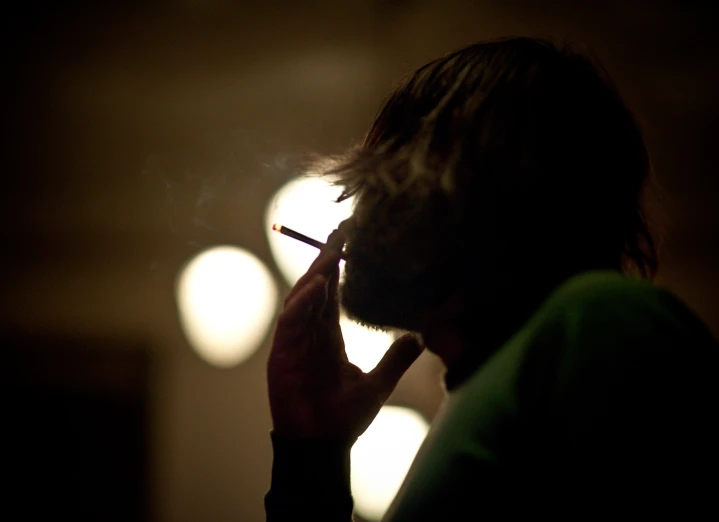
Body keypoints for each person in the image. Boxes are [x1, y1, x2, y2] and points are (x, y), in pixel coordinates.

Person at [264, 37, 717, 520]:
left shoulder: (599, 323)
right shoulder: (485, 389)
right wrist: (312, 454)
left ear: (449, 162)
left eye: (379, 175)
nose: (357, 214)